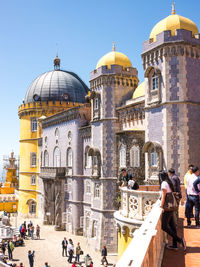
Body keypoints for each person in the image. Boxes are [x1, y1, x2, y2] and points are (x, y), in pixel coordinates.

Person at [159, 171, 186, 251]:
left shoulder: (164, 183)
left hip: (167, 207)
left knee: (164, 226)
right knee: (172, 226)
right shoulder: (168, 182)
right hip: (172, 206)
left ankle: (179, 240)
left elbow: (164, 196)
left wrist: (161, 206)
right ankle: (175, 245)